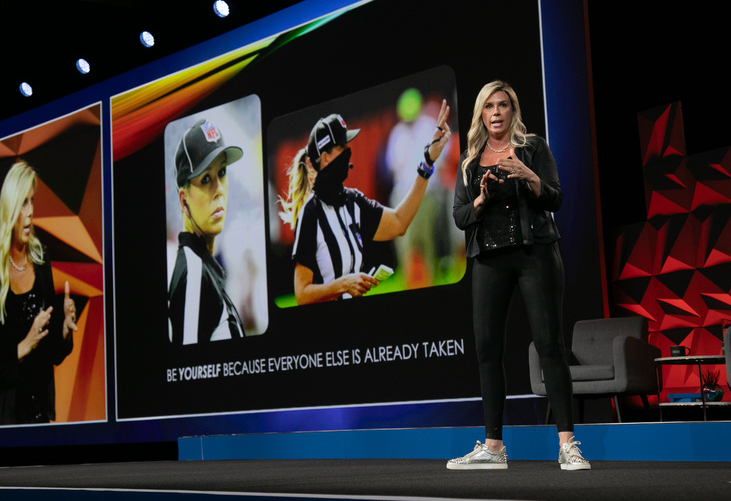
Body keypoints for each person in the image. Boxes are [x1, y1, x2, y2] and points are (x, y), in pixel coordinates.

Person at [447, 80, 590, 471]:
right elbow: (460, 217)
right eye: (489, 106)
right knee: (487, 351)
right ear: (481, 114)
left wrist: (528, 175)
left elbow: (556, 197)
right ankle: (493, 448)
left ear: (513, 111)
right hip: (489, 260)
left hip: (535, 255)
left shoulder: (534, 147)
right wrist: (482, 196)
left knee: (550, 346)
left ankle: (568, 445)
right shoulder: (470, 162)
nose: (496, 112)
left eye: (503, 105)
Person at [279, 103, 451, 305]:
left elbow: (399, 222)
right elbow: (302, 294)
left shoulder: (353, 201)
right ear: (325, 158)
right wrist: (342, 285)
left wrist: (427, 163)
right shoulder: (310, 213)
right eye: (342, 146)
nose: (348, 151)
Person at [0, 161, 76, 425]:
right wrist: (26, 344)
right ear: (10, 209)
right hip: (7, 419)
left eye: (32, 201)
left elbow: (54, 354)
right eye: (23, 203)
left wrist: (64, 328)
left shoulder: (42, 260)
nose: (31, 211)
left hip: (41, 413)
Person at [168, 118, 245, 344]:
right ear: (184, 201)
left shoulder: (201, 267)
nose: (218, 189)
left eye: (222, 172)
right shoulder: (194, 274)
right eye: (206, 178)